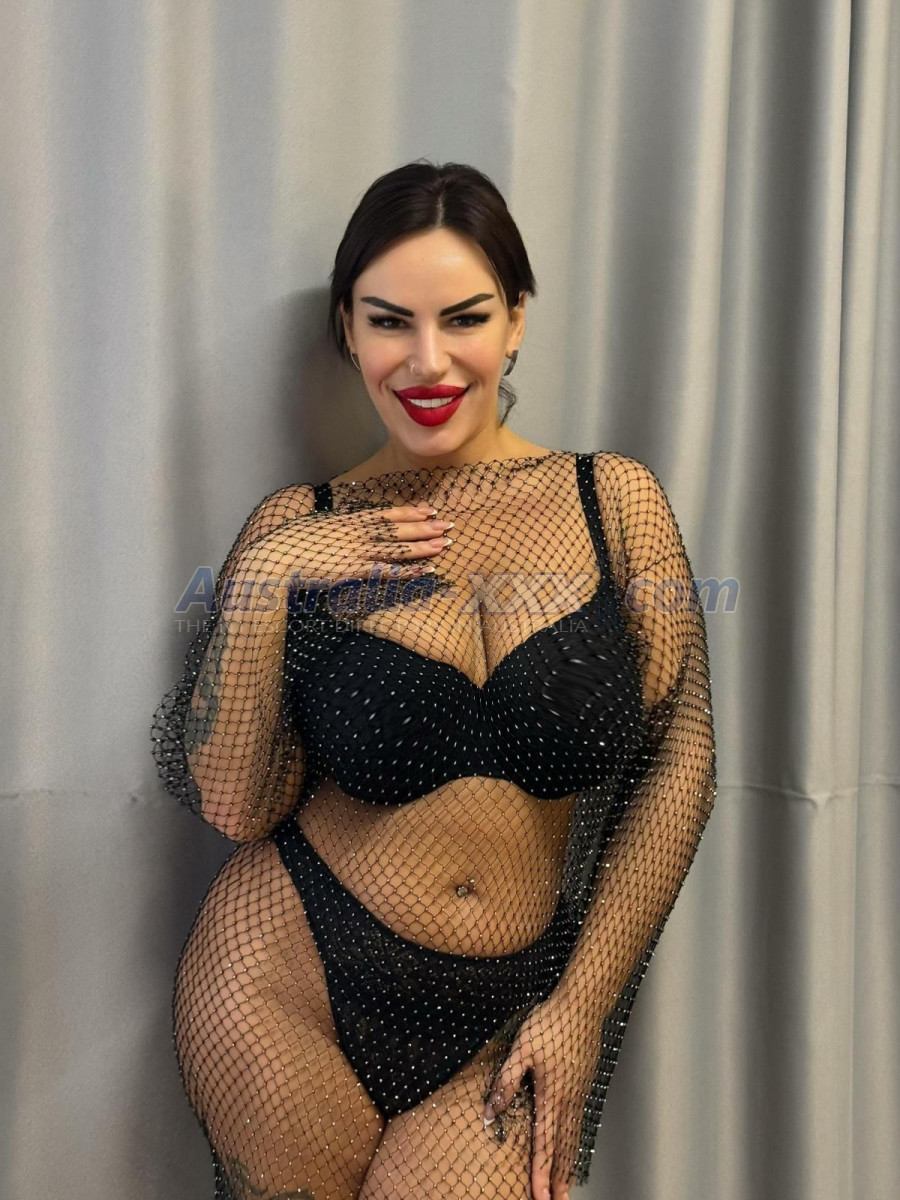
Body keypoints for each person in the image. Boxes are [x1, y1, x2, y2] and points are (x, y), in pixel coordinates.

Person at [151, 159, 717, 1200]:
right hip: (282, 975)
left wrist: (582, 1007)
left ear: (517, 319)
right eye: (389, 322)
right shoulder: (298, 527)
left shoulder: (614, 502)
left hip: (511, 1004)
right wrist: (266, 581)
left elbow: (680, 764)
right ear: (348, 331)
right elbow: (236, 804)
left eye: (464, 318)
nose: (427, 360)